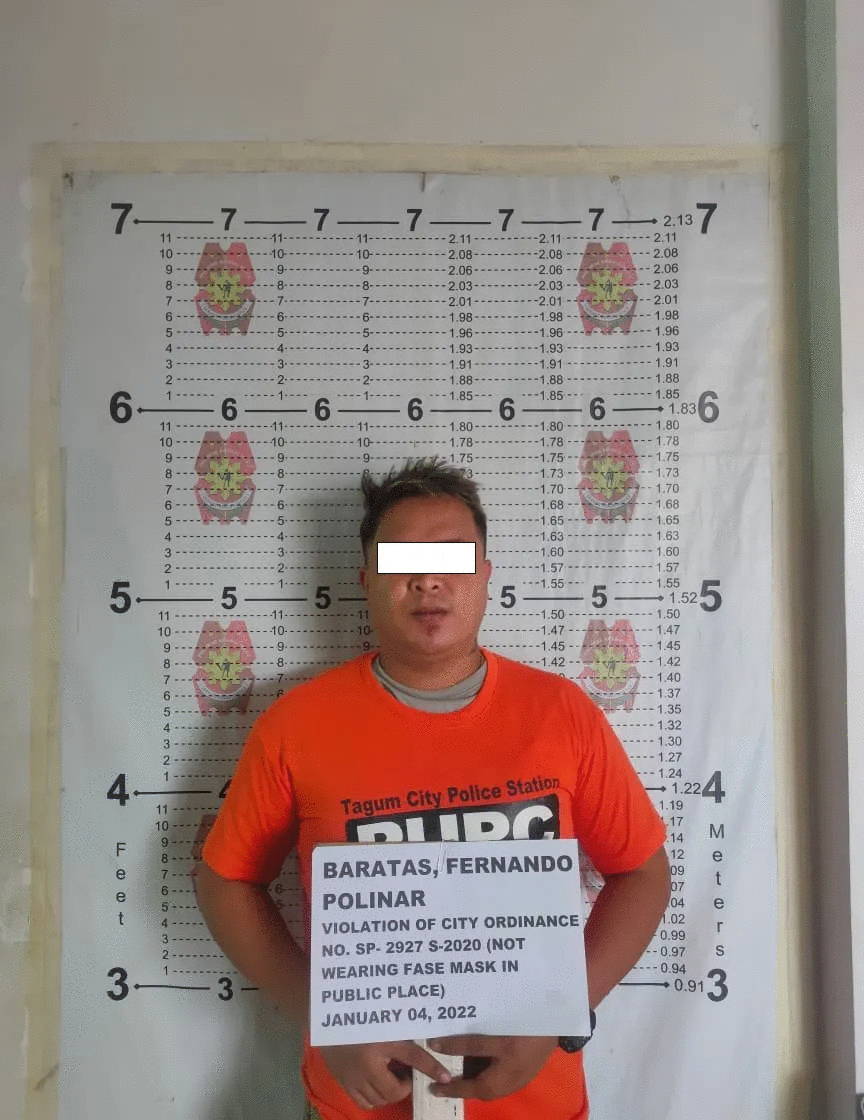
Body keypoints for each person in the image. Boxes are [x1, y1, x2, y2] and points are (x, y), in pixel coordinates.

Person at [194, 457, 670, 1119]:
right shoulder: (295, 726)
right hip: (356, 1107)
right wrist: (320, 1013)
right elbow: (225, 880)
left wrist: (560, 1014)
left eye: (451, 557)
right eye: (401, 561)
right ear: (366, 580)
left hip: (535, 1105)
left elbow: (644, 873)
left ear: (485, 575)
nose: (427, 580)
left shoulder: (561, 714)